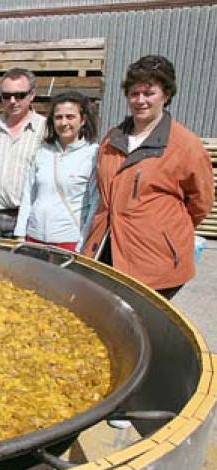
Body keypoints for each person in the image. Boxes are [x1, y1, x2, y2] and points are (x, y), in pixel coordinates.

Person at [83, 55, 214, 299]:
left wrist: (161, 229)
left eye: (149, 93)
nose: (140, 100)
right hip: (107, 247)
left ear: (166, 95)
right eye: (134, 93)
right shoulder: (112, 139)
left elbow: (200, 203)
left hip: (153, 258)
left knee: (140, 317)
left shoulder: (186, 146)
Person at [14, 91, 100, 252]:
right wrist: (20, 233)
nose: (64, 122)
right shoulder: (42, 152)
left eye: (70, 117)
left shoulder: (93, 154)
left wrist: (82, 244)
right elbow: (29, 195)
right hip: (34, 237)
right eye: (58, 117)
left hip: (68, 242)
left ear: (83, 120)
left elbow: (95, 203)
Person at [0, 68, 47, 238]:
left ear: (32, 95)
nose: (13, 101)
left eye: (20, 95)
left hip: (25, 218)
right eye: (6, 96)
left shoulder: (45, 129)